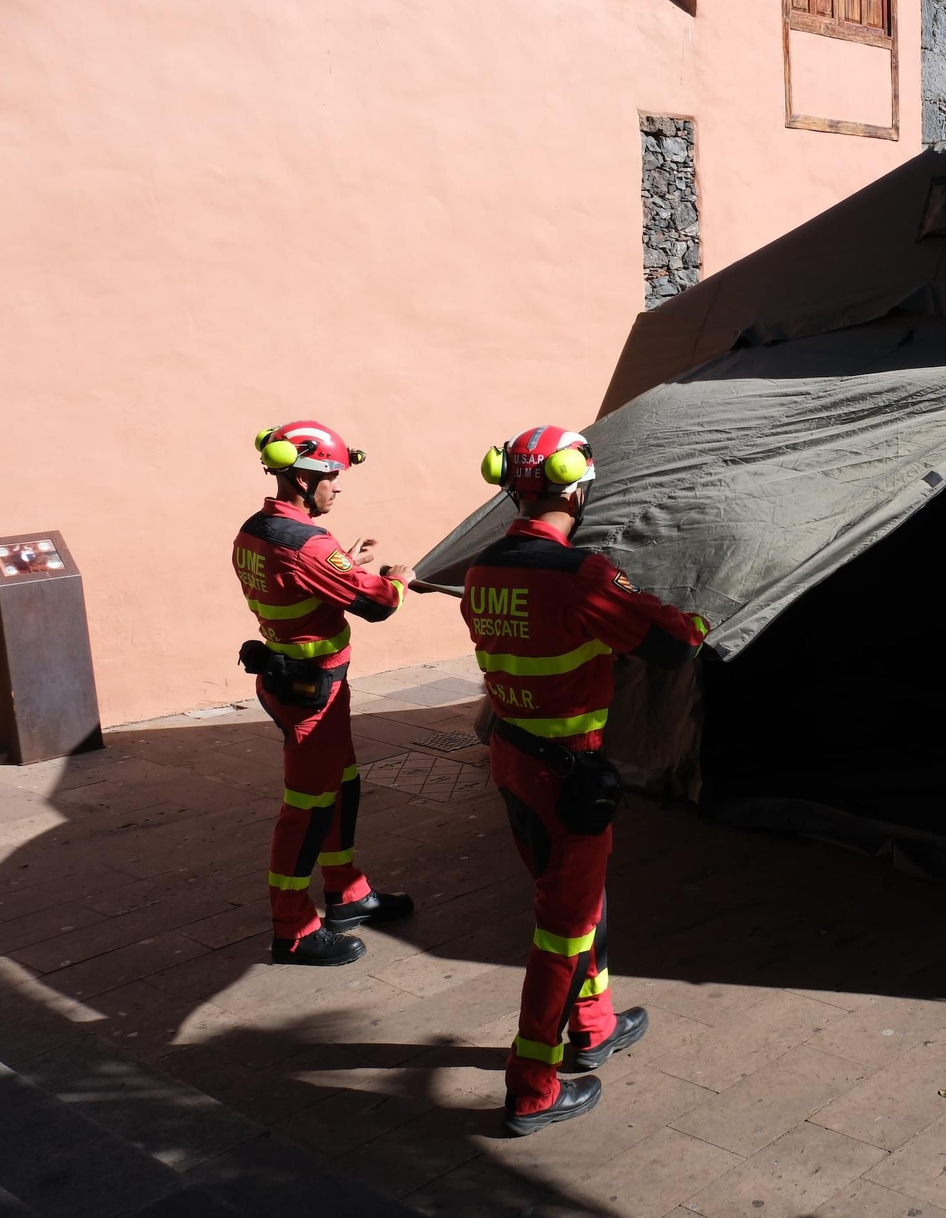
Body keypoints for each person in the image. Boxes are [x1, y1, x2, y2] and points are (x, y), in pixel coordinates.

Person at [462, 426, 708, 1136]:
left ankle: (594, 1025)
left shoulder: (481, 569)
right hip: (566, 775)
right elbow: (675, 644)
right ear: (576, 489)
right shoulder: (581, 575)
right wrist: (688, 617)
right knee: (563, 931)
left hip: (514, 757)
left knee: (575, 898)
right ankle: (532, 1088)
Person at [232, 422, 418, 966]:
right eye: (330, 476)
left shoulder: (256, 529)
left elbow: (298, 582)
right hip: (311, 691)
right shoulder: (307, 543)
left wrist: (344, 566)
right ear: (302, 478)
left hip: (304, 682)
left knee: (342, 785)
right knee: (307, 807)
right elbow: (377, 604)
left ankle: (347, 892)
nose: (337, 486)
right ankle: (292, 930)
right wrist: (399, 579)